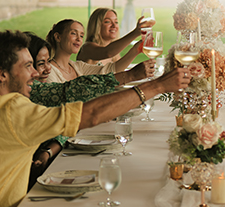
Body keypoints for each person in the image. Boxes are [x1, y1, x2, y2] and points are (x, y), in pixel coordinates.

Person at [0, 30, 190, 207]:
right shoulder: (8, 110)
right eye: (27, 66)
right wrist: (156, 87)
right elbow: (89, 114)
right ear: (1, 74)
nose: (36, 73)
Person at [23, 32, 153, 191]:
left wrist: (49, 150)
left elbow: (65, 119)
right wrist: (132, 77)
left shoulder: (69, 69)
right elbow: (72, 90)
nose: (43, 69)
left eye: (47, 62)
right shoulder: (32, 90)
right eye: (37, 64)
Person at [46, 18, 152, 83]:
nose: (79, 39)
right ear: (58, 37)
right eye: (73, 33)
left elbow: (111, 70)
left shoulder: (78, 67)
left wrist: (135, 50)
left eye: (82, 35)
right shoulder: (48, 71)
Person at [77, 7, 153, 65]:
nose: (114, 26)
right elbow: (107, 53)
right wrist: (135, 33)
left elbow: (118, 72)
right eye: (107, 22)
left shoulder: (114, 52)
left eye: (116, 22)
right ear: (97, 26)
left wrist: (136, 49)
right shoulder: (87, 48)